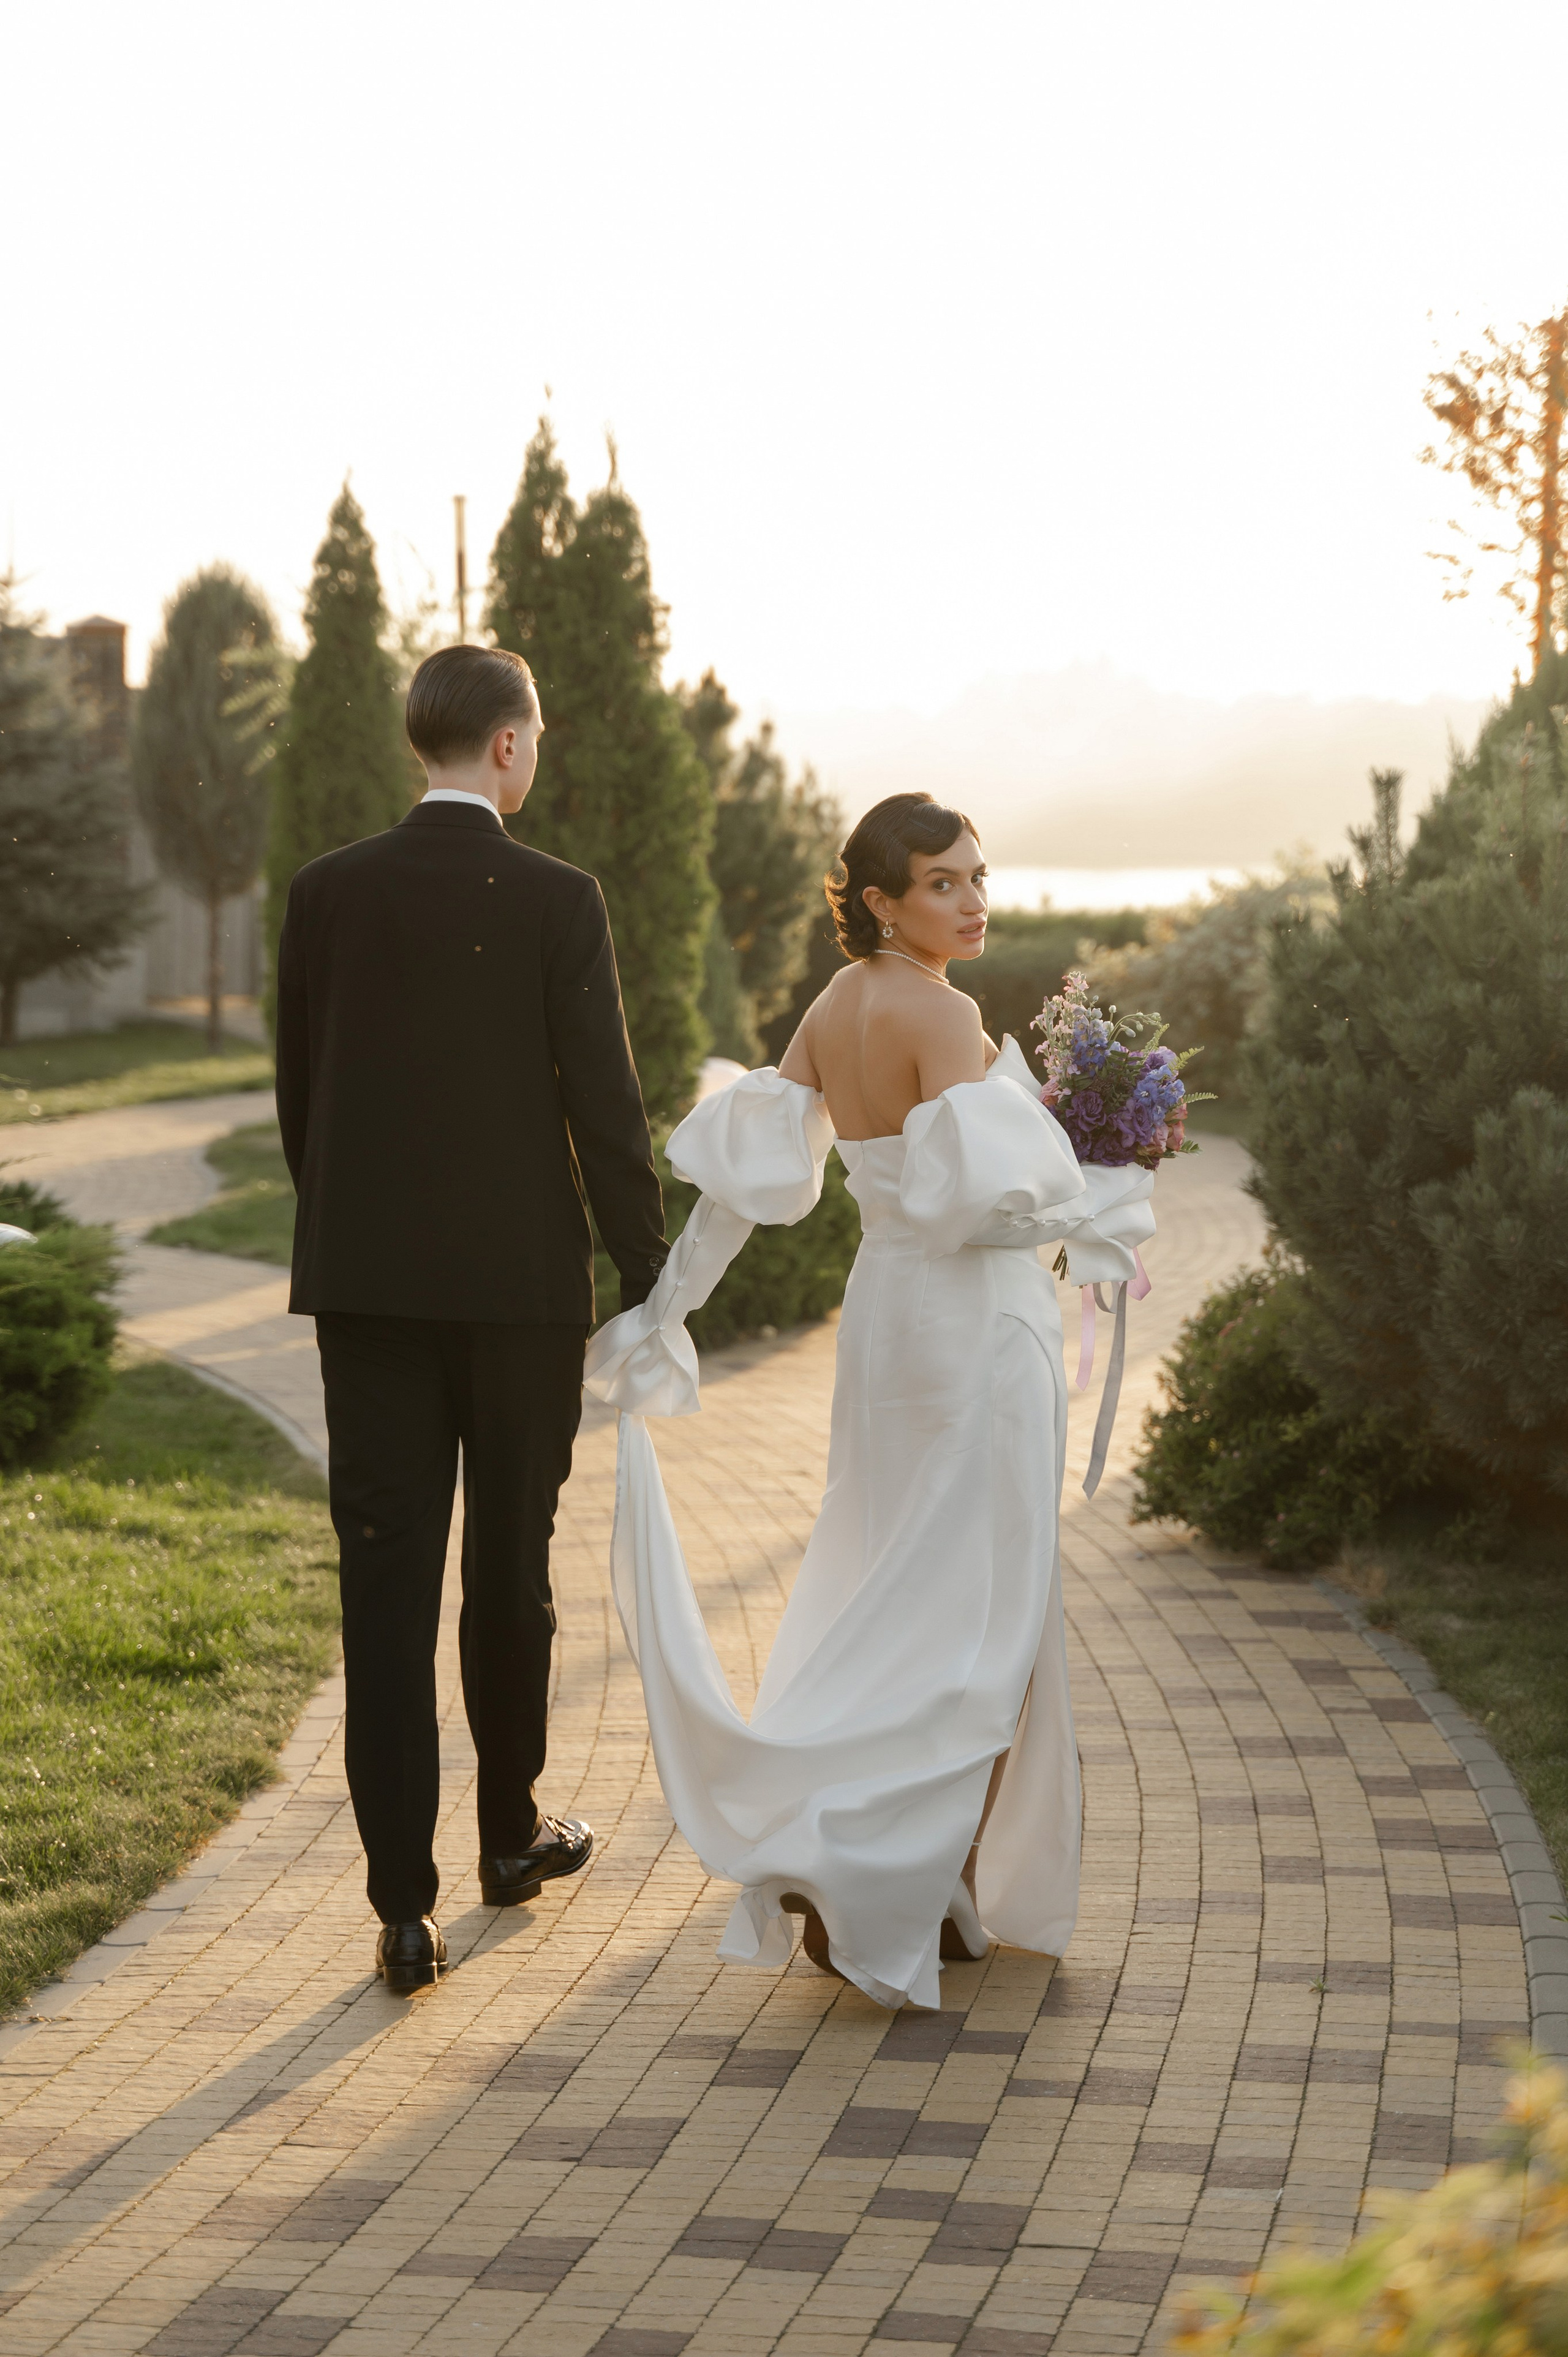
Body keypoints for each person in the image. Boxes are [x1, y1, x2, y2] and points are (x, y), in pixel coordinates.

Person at [586, 791, 1156, 2010]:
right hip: (970, 1332)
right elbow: (991, 1207)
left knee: (890, 1581)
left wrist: (665, 1309)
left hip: (884, 1325)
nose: (970, 900)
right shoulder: (938, 1012)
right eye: (941, 882)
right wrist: (1106, 1195)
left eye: (976, 876)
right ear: (881, 900)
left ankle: (911, 1880)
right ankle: (884, 1877)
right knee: (982, 1616)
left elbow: (740, 1188)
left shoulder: (833, 1007)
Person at [274, 644, 668, 1994]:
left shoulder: (326, 893)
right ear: (507, 747)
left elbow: (299, 1097)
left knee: (384, 1585)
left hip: (367, 1290)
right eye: (537, 735)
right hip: (517, 1299)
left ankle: (401, 1908)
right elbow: (602, 1107)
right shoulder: (558, 898)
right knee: (509, 1569)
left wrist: (353, 1233)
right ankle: (509, 1838)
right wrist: (649, 1270)